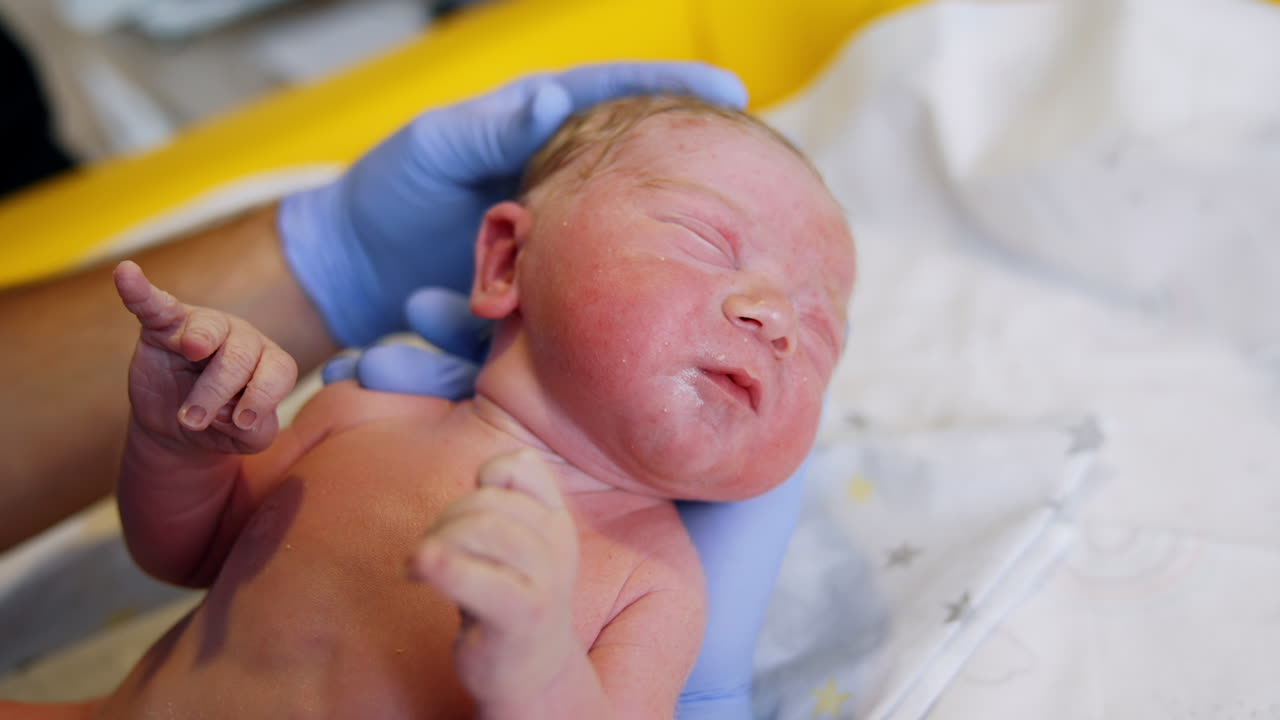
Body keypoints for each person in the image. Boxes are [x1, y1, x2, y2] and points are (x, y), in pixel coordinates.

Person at [3, 94, 854, 719]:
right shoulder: (362, 416)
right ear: (506, 263)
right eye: (705, 242)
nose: (777, 320)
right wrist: (179, 444)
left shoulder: (652, 586)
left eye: (821, 331)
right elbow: (187, 550)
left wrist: (541, 671)